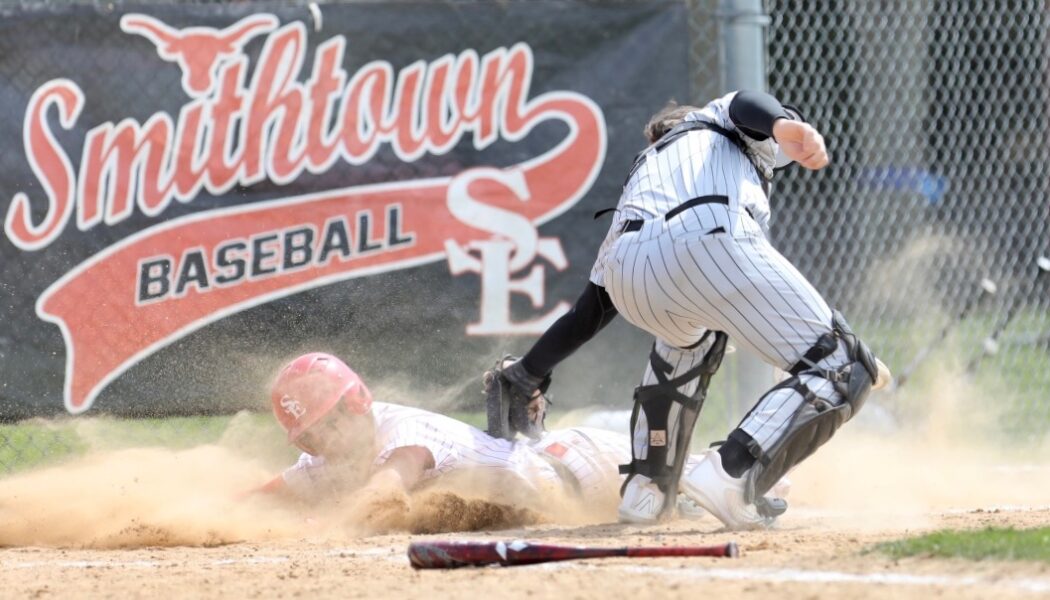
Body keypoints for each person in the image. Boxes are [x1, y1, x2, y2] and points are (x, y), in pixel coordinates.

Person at [485, 90, 889, 529]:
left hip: (631, 268)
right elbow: (745, 105)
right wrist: (782, 125)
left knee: (693, 338)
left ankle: (648, 488)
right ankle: (734, 472)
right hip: (711, 237)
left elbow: (589, 314)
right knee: (844, 366)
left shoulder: (646, 174)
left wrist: (529, 373)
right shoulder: (712, 123)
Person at [258, 352, 771, 524]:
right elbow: (260, 497)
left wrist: (317, 525)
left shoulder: (403, 432)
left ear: (360, 402)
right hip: (549, 464)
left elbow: (384, 494)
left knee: (700, 495)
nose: (323, 441)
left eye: (329, 421)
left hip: (582, 468)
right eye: (309, 438)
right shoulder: (335, 455)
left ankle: (756, 459)